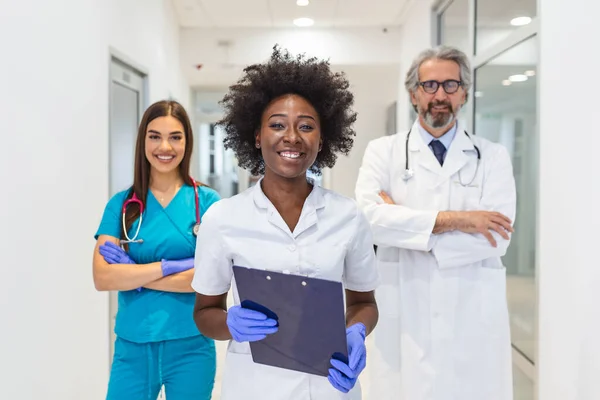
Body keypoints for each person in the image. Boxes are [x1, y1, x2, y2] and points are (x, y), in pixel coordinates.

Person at [191, 46, 380, 400]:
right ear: (257, 136)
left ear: (322, 139)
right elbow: (205, 313)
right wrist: (229, 323)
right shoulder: (223, 218)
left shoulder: (348, 216)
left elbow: (364, 301)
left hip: (331, 385)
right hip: (254, 386)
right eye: (277, 125)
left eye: (306, 126)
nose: (291, 137)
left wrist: (356, 331)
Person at [355, 45, 516, 400]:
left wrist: (407, 227)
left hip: (471, 306)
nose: (439, 95)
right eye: (429, 85)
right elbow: (369, 219)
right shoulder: (383, 152)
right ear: (413, 93)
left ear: (464, 94)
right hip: (405, 304)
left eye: (450, 85)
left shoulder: (493, 156)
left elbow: (498, 236)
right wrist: (457, 220)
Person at [92, 100, 220, 400]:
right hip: (133, 346)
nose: (165, 146)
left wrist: (132, 273)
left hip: (191, 345)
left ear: (187, 142)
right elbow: (102, 278)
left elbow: (209, 279)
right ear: (143, 141)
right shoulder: (121, 205)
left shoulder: (209, 202)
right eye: (155, 136)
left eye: (175, 136)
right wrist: (172, 266)